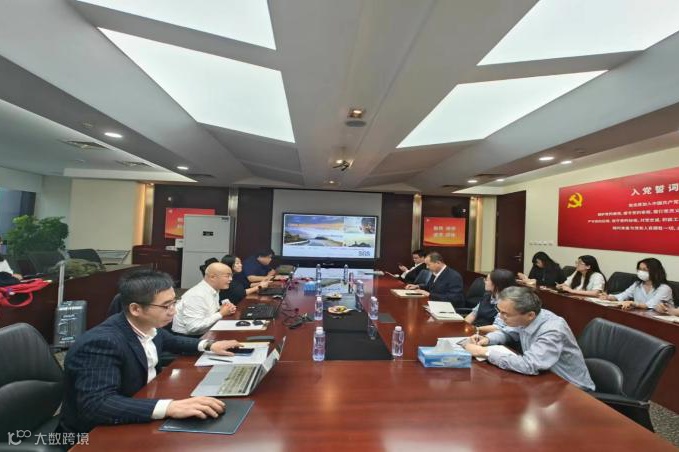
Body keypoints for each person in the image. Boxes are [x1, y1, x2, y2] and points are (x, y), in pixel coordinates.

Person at [59, 269, 243, 434]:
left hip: (141, 400)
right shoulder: (101, 343)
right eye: (166, 306)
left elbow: (173, 341)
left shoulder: (147, 326)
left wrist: (210, 345)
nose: (173, 312)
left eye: (174, 303)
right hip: (94, 433)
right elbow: (97, 405)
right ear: (136, 309)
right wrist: (169, 408)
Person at [464, 286, 594, 391]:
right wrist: (487, 340)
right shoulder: (527, 317)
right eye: (500, 311)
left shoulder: (552, 330)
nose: (501, 318)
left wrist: (485, 352)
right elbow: (509, 333)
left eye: (506, 314)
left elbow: (529, 365)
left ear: (530, 315)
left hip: (572, 388)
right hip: (545, 380)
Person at [172, 262, 237, 336]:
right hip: (189, 337)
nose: (231, 279)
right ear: (212, 277)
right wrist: (221, 313)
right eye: (227, 276)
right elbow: (193, 328)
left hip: (204, 333)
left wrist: (222, 309)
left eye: (231, 276)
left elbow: (206, 313)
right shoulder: (197, 295)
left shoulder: (213, 289)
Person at [601, 257, 674, 311]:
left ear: (655, 272)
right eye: (639, 269)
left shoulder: (664, 288)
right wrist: (608, 297)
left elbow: (650, 305)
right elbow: (624, 295)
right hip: (640, 315)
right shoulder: (637, 284)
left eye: (644, 270)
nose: (641, 272)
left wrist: (633, 303)